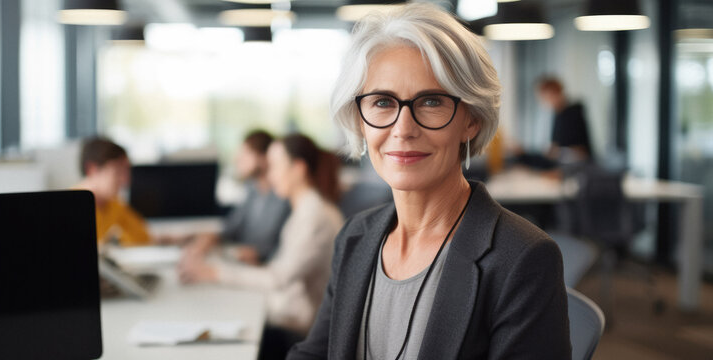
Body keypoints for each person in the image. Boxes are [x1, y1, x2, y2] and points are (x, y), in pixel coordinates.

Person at [287, 4, 571, 360]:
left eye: (432, 101)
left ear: (472, 121)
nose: (403, 129)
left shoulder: (523, 258)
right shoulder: (355, 237)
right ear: (360, 120)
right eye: (382, 102)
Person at [179, 134, 344, 357]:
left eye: (275, 166)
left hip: (304, 329)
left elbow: (278, 279)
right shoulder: (306, 209)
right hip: (296, 314)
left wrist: (213, 272)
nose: (270, 174)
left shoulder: (313, 216)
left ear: (298, 168)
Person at [183, 130, 290, 265]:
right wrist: (207, 238)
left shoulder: (282, 195)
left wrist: (245, 252)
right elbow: (232, 227)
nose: (237, 159)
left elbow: (270, 247)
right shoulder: (252, 190)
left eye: (245, 154)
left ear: (264, 158)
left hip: (263, 267)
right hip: (243, 262)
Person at [75, 136, 150, 246]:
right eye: (118, 172)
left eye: (126, 171)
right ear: (92, 169)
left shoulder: (113, 205)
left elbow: (144, 239)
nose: (126, 181)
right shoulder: (70, 207)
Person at [537, 76, 593, 164]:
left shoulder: (573, 114)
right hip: (563, 164)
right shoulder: (558, 115)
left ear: (556, 94)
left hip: (579, 167)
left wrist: (557, 152)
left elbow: (581, 152)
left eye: (546, 97)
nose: (545, 102)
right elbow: (555, 145)